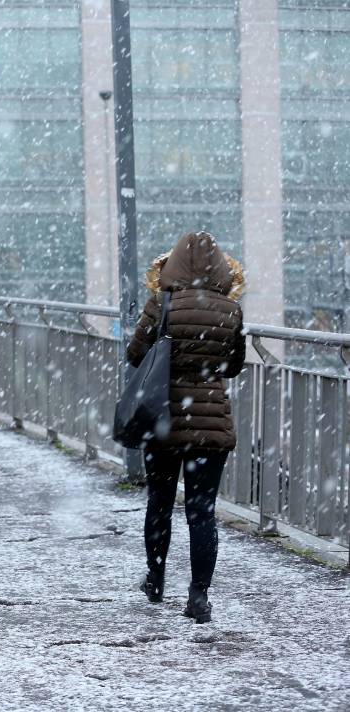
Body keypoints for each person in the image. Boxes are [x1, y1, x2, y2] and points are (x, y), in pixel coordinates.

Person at [126, 231, 246, 624]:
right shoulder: (231, 310)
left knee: (160, 503)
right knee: (202, 512)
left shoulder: (162, 303)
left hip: (161, 421)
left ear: (173, 263)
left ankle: (156, 580)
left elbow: (135, 355)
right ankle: (198, 597)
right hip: (209, 426)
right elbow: (232, 366)